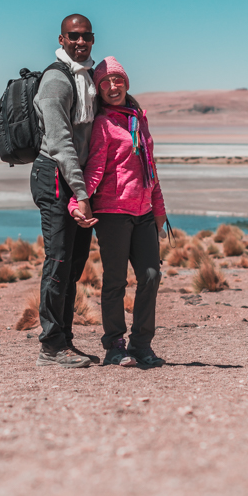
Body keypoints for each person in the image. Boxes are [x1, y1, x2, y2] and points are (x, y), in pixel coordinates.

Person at [68, 56, 166, 368]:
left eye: (118, 80)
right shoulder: (103, 124)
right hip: (112, 212)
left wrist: (160, 209)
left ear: (126, 82)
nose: (113, 86)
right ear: (98, 89)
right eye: (105, 82)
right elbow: (95, 168)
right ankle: (114, 345)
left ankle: (141, 344)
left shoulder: (138, 119)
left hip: (144, 211)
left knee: (151, 276)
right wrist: (77, 201)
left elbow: (150, 170)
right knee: (115, 281)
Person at [30, 14, 99, 368]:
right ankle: (51, 346)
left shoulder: (87, 78)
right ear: (62, 37)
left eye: (86, 36)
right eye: (73, 36)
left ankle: (64, 340)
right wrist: (82, 193)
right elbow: (60, 143)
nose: (80, 42)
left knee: (73, 263)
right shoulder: (57, 81)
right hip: (56, 176)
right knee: (58, 259)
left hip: (76, 180)